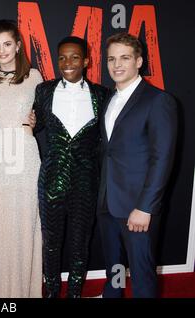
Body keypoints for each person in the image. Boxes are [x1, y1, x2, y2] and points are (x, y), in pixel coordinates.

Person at [98, 32, 177, 298]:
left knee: (142, 276)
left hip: (138, 208)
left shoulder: (158, 100)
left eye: (125, 58)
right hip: (107, 203)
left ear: (139, 61)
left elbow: (162, 158)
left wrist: (145, 207)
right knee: (115, 272)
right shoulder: (108, 99)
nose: (116, 65)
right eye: (111, 59)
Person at [33, 36, 110, 298]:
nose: (68, 63)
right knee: (51, 245)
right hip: (51, 179)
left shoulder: (102, 94)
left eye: (75, 57)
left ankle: (74, 294)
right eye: (62, 57)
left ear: (86, 61)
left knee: (80, 245)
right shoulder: (43, 91)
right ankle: (52, 293)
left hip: (86, 182)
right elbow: (34, 125)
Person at [0, 20, 43, 298]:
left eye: (7, 44)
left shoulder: (35, 77)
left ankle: (25, 289)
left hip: (25, 155)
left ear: (18, 46)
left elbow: (42, 115)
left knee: (25, 219)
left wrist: (35, 122)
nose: (2, 50)